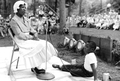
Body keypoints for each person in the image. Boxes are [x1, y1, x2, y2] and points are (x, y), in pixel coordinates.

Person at [9, 0, 58, 74]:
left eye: (25, 8)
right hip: (20, 40)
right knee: (38, 45)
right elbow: (19, 34)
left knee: (45, 43)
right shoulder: (13, 21)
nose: (25, 9)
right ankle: (36, 67)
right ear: (17, 9)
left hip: (28, 37)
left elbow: (30, 29)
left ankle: (37, 66)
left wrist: (34, 33)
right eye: (22, 8)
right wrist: (31, 37)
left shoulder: (25, 19)